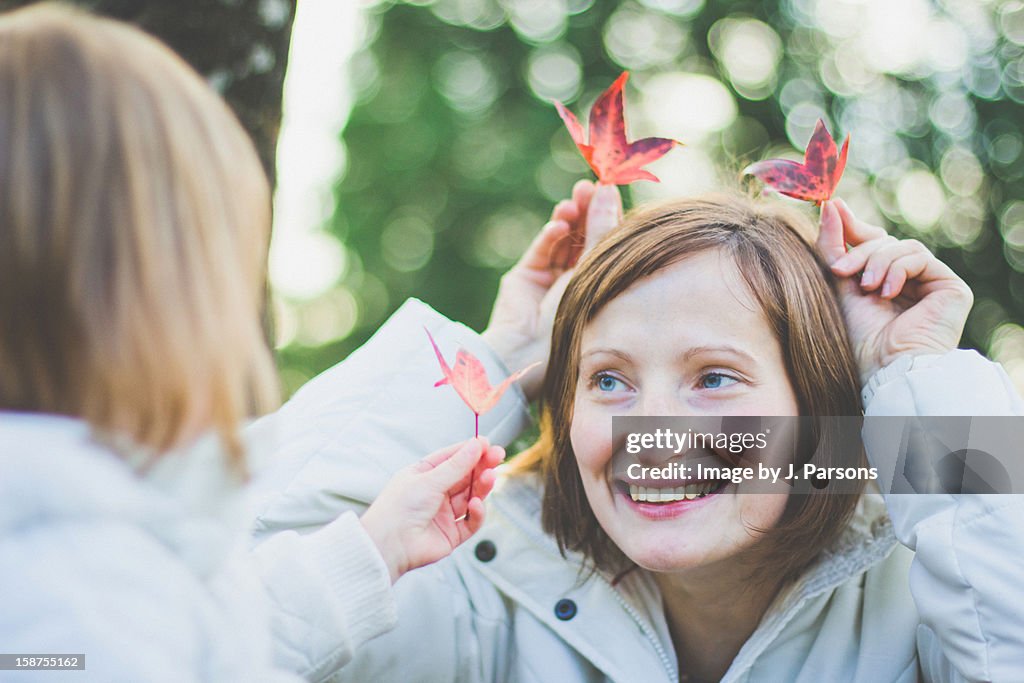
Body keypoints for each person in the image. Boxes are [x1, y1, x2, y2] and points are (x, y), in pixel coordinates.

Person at [254, 185, 1024, 681]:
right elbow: (198, 608)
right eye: (610, 380)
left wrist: (915, 374)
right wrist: (493, 357)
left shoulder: (927, 591)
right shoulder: (489, 586)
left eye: (714, 377)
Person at [0, 5, 506, 681]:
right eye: (225, 267)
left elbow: (196, 640)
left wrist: (375, 546)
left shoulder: (79, 549)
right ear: (138, 301)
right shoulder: (71, 597)